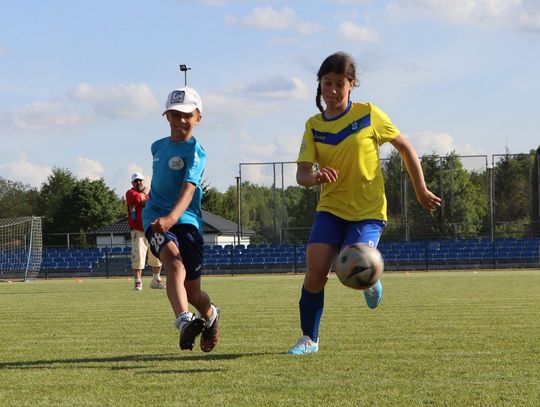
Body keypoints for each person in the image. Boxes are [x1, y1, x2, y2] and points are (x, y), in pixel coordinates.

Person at [287, 52, 442, 355]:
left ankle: (370, 278)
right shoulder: (313, 126)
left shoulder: (369, 114)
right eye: (327, 83)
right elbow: (302, 175)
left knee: (352, 262)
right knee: (315, 273)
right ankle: (309, 339)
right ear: (319, 84)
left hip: (367, 212)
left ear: (351, 85)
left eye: (339, 84)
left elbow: (405, 147)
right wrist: (316, 177)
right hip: (330, 209)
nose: (332, 90)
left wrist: (420, 188)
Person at [142, 87, 220, 352]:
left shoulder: (196, 152)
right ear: (167, 116)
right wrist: (162, 218)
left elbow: (189, 188)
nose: (181, 120)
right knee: (173, 263)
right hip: (155, 218)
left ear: (199, 117)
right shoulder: (157, 146)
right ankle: (184, 321)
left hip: (186, 221)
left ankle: (210, 315)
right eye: (175, 115)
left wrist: (173, 217)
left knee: (194, 292)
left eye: (187, 115)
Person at [125, 172, 164, 291]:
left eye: (140, 180)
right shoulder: (130, 193)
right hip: (138, 229)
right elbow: (138, 199)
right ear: (132, 183)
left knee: (156, 255)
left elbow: (156, 202)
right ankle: (138, 282)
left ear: (144, 181)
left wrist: (146, 196)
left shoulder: (150, 193)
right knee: (138, 255)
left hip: (152, 228)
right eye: (136, 181)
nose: (138, 183)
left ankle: (156, 280)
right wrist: (146, 195)